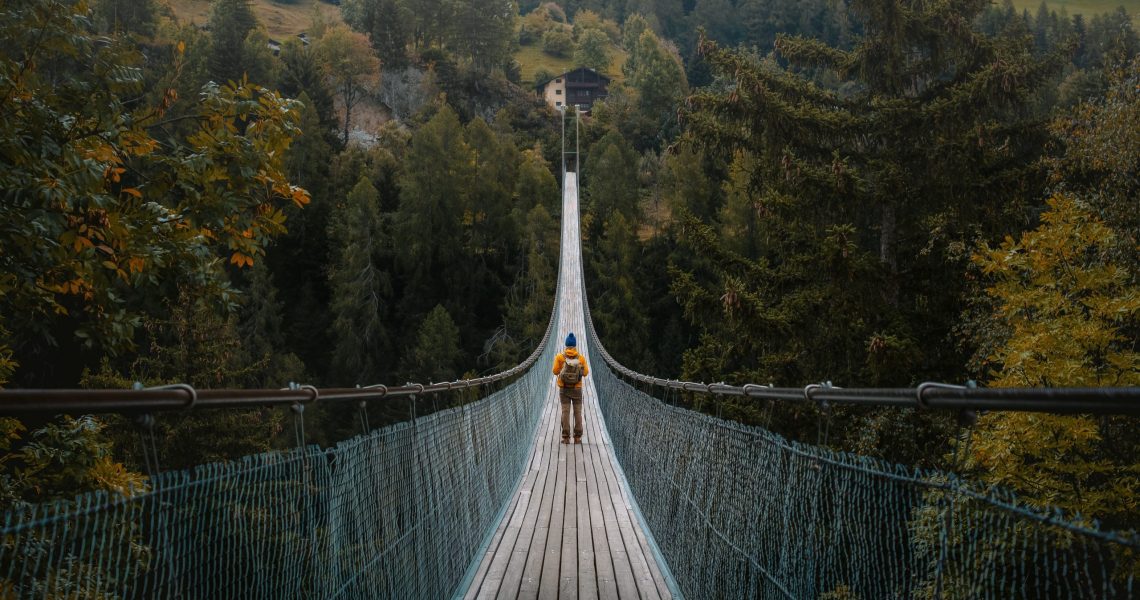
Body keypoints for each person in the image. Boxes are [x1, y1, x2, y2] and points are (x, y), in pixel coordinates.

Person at [552, 332, 589, 444]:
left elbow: (555, 371)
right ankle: (577, 438)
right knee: (577, 412)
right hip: (577, 389)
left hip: (564, 389)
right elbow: (586, 373)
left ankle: (566, 437)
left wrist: (562, 368)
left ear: (566, 345)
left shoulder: (560, 357)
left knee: (565, 412)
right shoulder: (581, 358)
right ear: (575, 345)